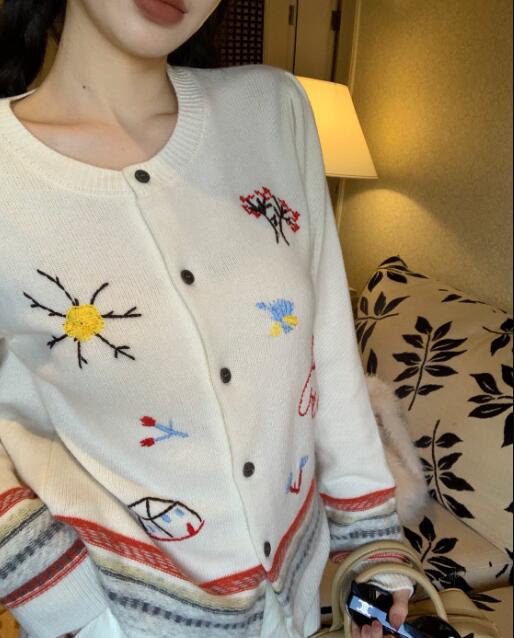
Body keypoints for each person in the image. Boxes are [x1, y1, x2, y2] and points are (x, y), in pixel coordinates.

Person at [0, 1, 416, 636]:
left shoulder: (273, 111)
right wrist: (63, 597)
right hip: (116, 616)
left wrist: (373, 543)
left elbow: (327, 348)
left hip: (295, 605)